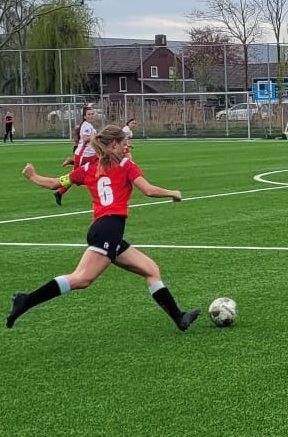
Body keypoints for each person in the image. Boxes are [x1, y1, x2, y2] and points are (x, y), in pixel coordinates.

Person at [11, 124, 203, 331]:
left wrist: (33, 176)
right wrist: (172, 193)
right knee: (82, 279)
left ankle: (179, 317)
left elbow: (55, 183)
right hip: (108, 229)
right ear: (113, 145)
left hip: (104, 229)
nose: (126, 148)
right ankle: (27, 300)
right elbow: (148, 190)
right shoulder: (126, 166)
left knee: (150, 270)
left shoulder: (88, 169)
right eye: (123, 144)